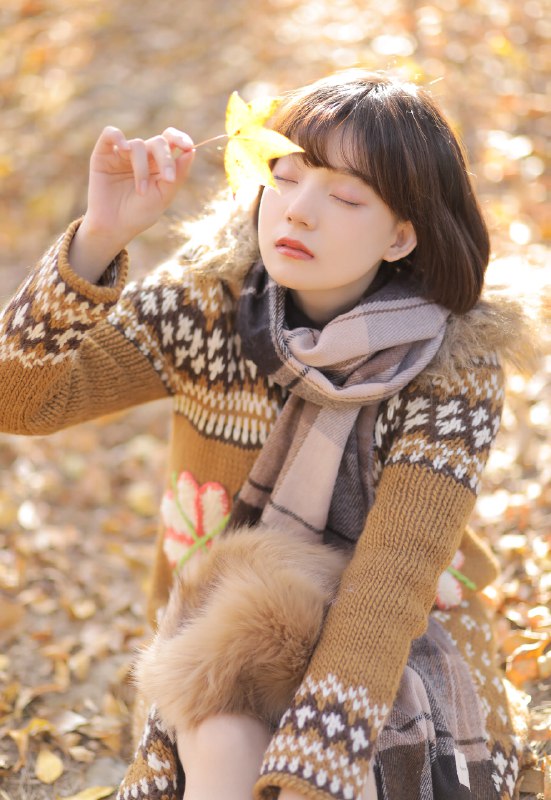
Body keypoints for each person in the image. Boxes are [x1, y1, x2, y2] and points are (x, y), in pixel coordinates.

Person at [0, 70, 533, 800]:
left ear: (401, 235)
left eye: (346, 197)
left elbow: (393, 576)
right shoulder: (208, 307)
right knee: (223, 726)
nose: (299, 212)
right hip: (225, 640)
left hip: (400, 641)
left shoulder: (450, 364)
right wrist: (99, 237)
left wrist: (315, 761)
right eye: (284, 176)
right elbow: (19, 401)